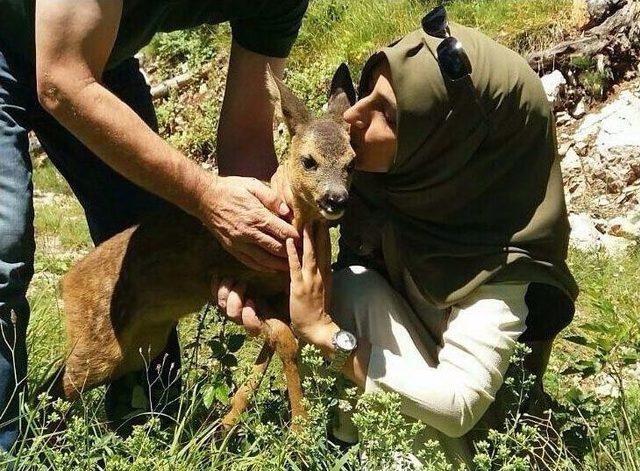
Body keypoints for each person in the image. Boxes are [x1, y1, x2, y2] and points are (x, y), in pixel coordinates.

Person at [214, 6, 578, 467]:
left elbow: (457, 407)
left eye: (385, 109)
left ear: (444, 139)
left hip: (473, 444)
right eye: (367, 95)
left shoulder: (503, 261)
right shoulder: (398, 187)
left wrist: (324, 334)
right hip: (396, 403)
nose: (356, 116)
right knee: (353, 284)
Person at [0, 0, 308, 451]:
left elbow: (246, 138)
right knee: (3, 245)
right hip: (25, 48)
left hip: (99, 58)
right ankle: (7, 447)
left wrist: (253, 249)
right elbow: (62, 82)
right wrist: (205, 196)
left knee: (153, 238)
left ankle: (145, 434)